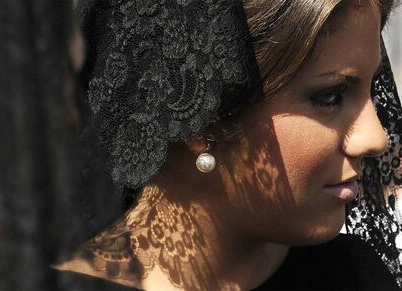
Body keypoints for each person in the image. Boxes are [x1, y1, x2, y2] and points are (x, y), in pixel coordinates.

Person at [54, 0, 402, 290]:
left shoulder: (351, 274)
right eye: (331, 96)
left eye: (370, 89)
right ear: (193, 112)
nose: (375, 137)